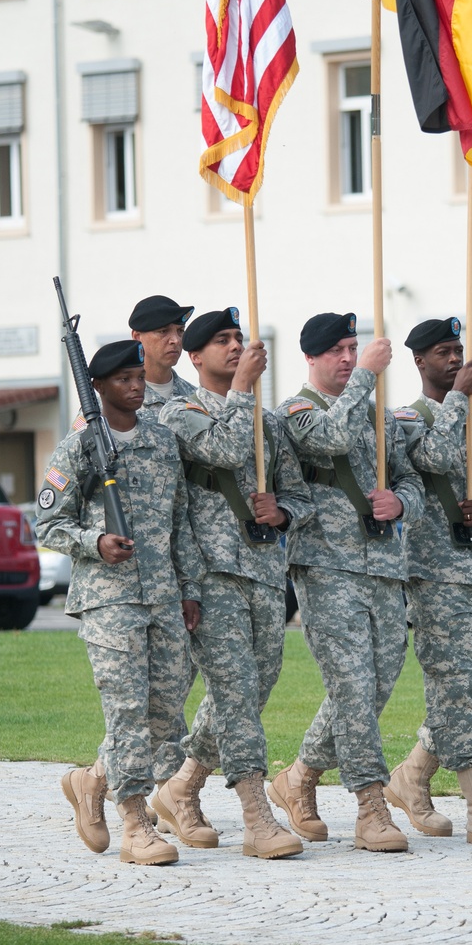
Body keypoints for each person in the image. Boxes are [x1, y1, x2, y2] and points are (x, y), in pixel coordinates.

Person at [153, 309, 312, 860]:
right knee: (237, 692)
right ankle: (256, 816)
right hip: (210, 572)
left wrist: (282, 512)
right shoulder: (180, 411)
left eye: (238, 339)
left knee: (256, 686)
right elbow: (221, 450)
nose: (234, 347)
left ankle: (183, 784)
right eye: (221, 340)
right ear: (195, 358)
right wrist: (243, 387)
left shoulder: (268, 422)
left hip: (265, 572)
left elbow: (302, 496)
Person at [37, 340, 204, 866]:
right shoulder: (80, 447)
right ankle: (136, 821)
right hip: (109, 599)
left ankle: (92, 781)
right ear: (99, 387)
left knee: (164, 714)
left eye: (139, 377)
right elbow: (47, 523)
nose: (135, 387)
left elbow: (180, 523)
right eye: (123, 379)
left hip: (163, 596)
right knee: (127, 709)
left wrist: (189, 589)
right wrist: (96, 542)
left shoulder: (161, 441)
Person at [269, 312, 424, 853]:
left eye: (353, 348)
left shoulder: (378, 416)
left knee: (372, 688)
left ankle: (301, 775)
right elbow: (331, 441)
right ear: (310, 357)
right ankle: (370, 806)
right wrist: (368, 377)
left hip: (383, 565)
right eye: (336, 349)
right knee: (353, 688)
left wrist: (401, 500)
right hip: (327, 567)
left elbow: (407, 476)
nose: (347, 358)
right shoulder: (295, 412)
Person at [388, 317, 472, 846]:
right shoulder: (407, 420)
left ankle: (414, 775)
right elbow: (433, 458)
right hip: (434, 573)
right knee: (457, 687)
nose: (455, 360)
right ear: (419, 361)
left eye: (459, 351)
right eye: (443, 352)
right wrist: (458, 404)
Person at [129, 295, 196, 410]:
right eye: (163, 331)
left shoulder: (195, 399)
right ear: (137, 337)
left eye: (180, 331)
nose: (176, 340)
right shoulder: (119, 401)